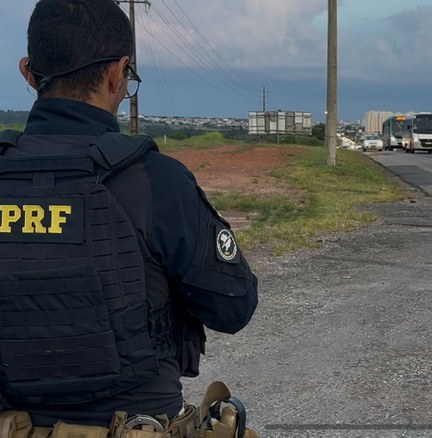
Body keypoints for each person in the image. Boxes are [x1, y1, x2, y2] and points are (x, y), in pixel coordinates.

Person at [0, 0, 259, 430]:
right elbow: (234, 307)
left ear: (28, 72)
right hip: (138, 424)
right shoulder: (156, 180)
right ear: (118, 73)